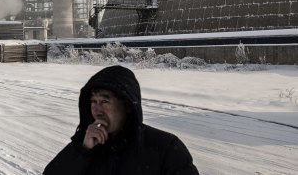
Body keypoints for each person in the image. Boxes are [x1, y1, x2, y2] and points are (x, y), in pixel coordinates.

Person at [44, 65, 199, 174]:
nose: (97, 110)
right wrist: (82, 151)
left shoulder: (165, 148)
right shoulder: (86, 145)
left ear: (127, 105)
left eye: (105, 101)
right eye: (93, 102)